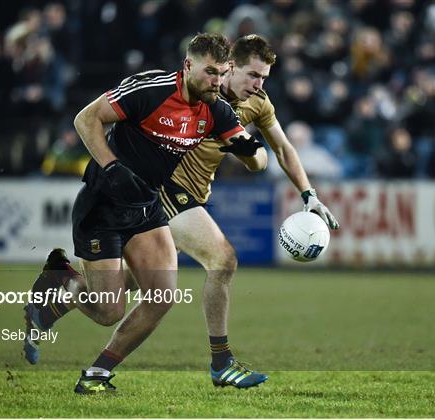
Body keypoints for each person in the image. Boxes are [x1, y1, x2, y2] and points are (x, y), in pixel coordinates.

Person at [22, 33, 268, 393]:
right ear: (187, 66)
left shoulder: (216, 108)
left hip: (146, 209)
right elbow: (85, 119)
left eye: (222, 73)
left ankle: (97, 374)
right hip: (102, 207)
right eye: (210, 72)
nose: (216, 81)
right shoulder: (150, 90)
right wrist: (110, 168)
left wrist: (250, 150)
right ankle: (65, 283)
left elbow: (258, 162)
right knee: (109, 312)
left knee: (162, 297)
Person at [143, 34, 339, 383]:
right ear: (229, 66)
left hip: (194, 195)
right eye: (252, 75)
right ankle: (222, 363)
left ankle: (57, 298)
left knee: (128, 284)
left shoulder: (258, 104)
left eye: (264, 77)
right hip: (165, 188)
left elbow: (282, 148)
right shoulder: (202, 92)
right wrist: (253, 156)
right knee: (223, 260)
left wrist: (308, 194)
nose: (258, 84)